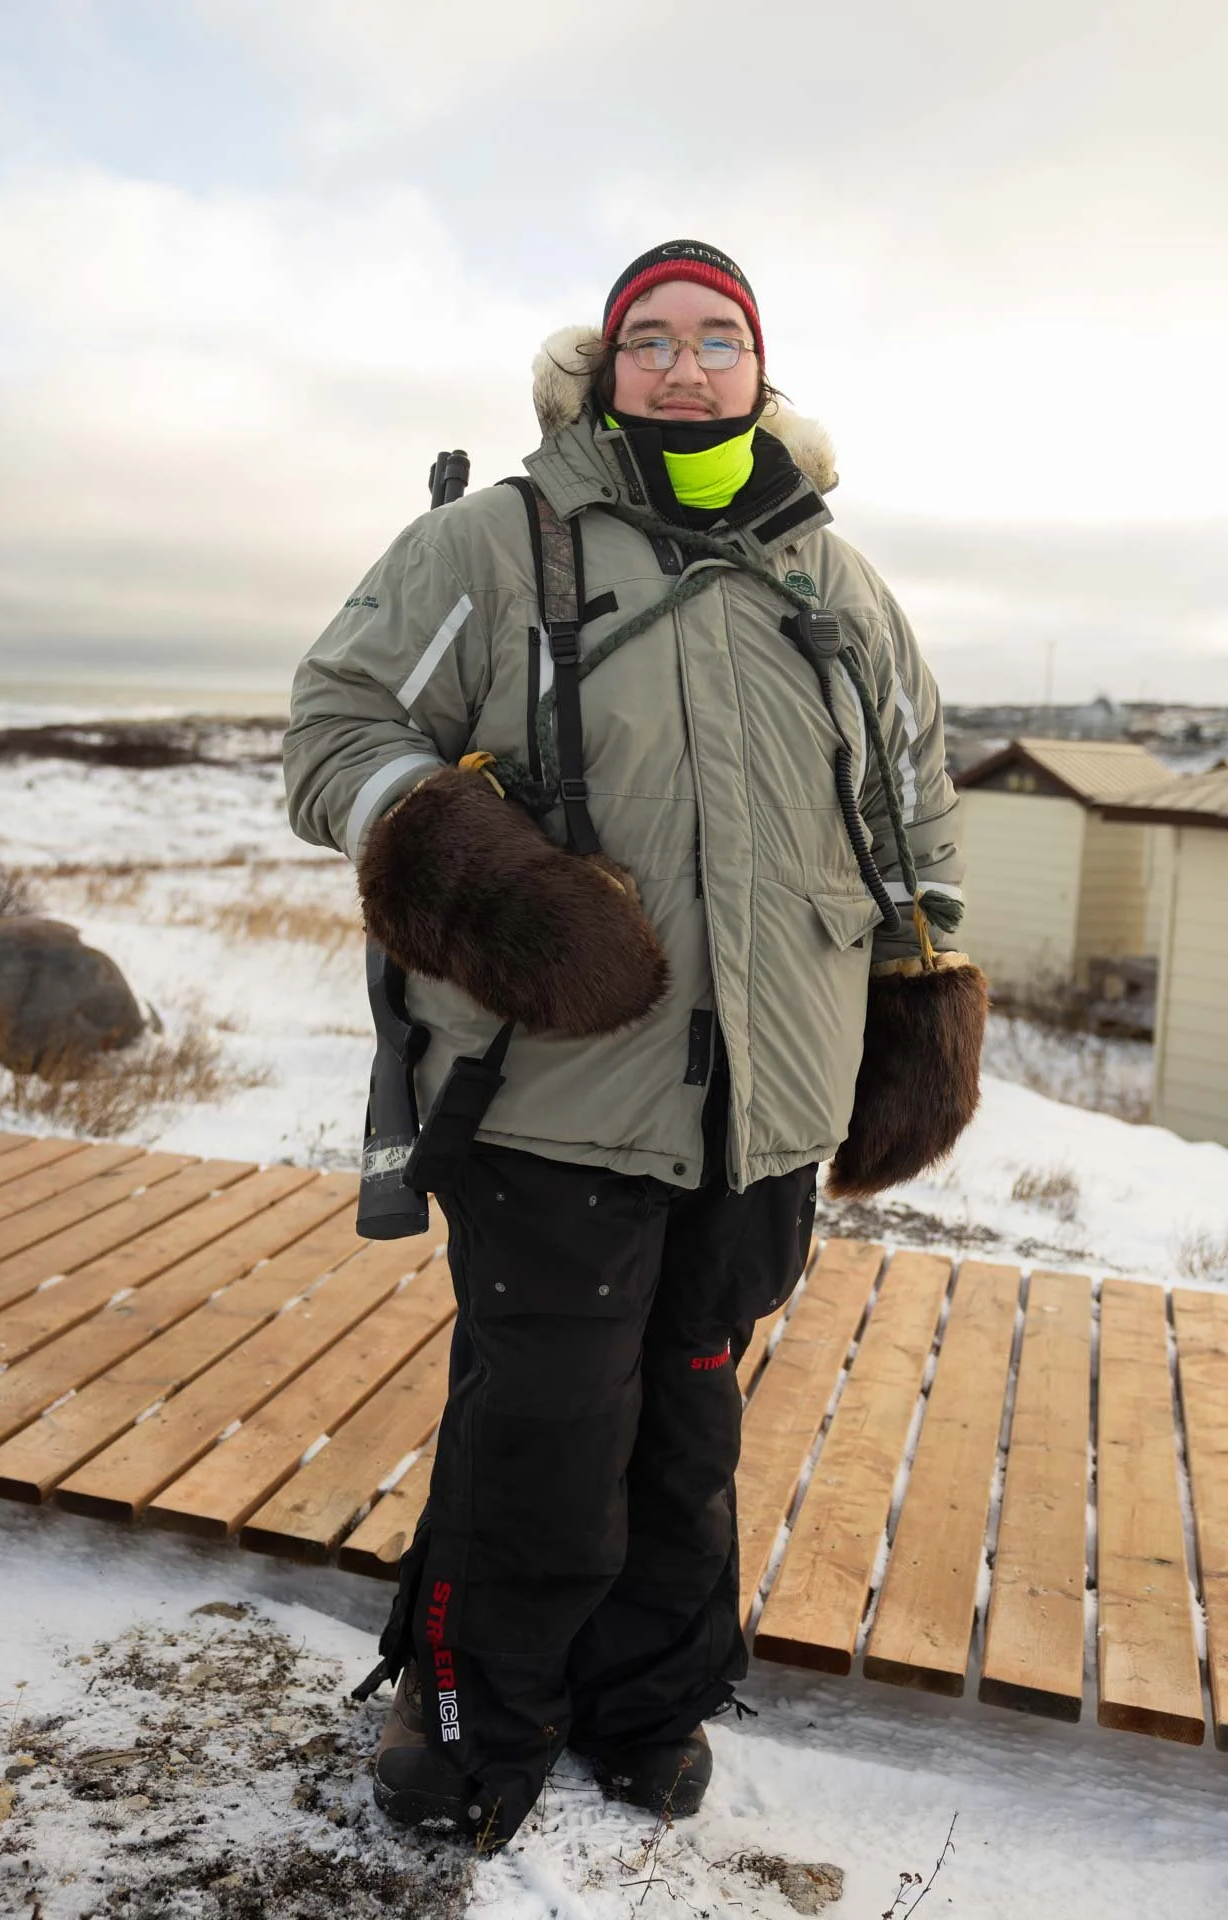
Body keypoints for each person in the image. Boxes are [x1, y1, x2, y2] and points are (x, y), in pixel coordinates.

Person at [283, 239, 985, 1850]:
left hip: (768, 1094)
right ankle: (472, 1719)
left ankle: (650, 1701)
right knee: (548, 1418)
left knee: (689, 1406)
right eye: (648, 340)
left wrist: (916, 991)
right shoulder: (499, 539)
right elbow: (336, 731)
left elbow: (912, 803)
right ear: (602, 373)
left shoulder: (834, 577)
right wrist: (494, 886)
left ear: (761, 371)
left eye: (715, 338)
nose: (682, 365)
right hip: (552, 1084)